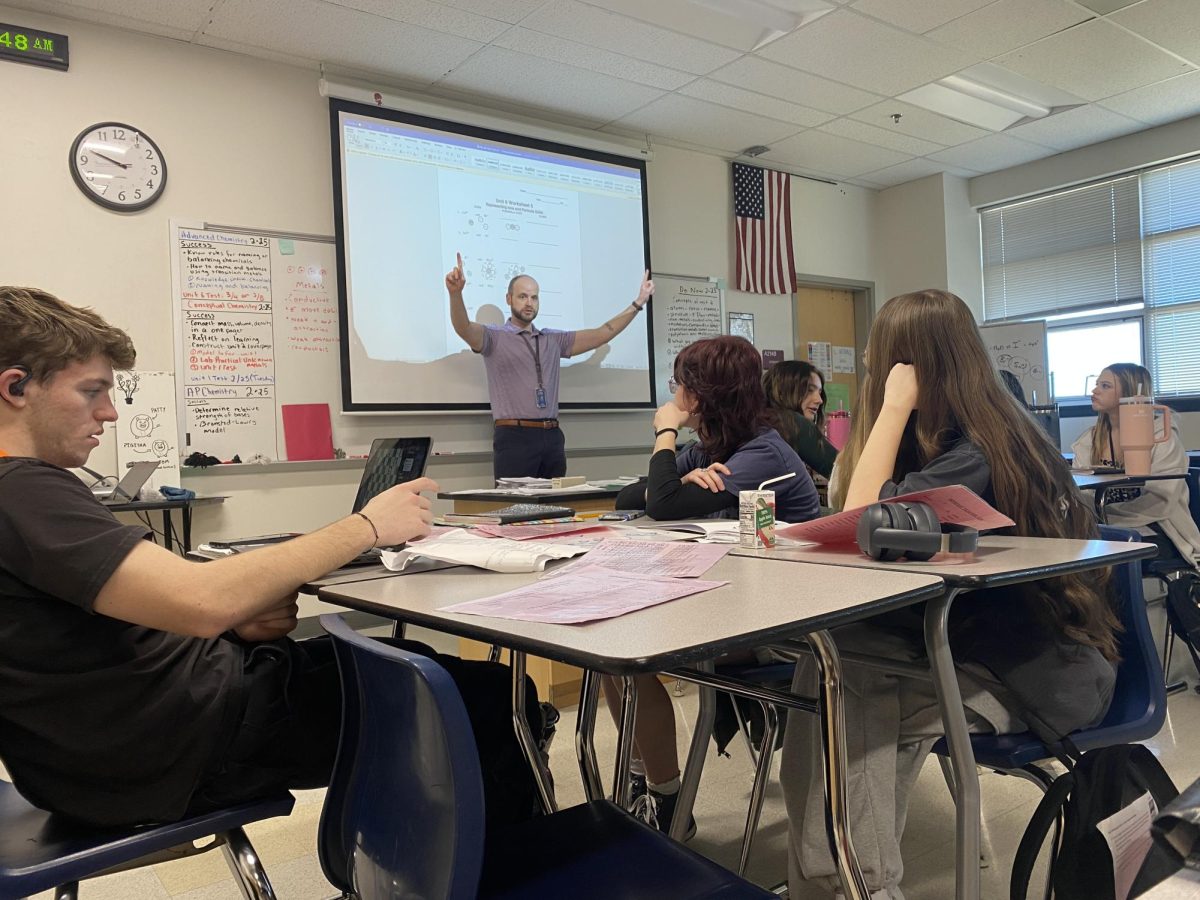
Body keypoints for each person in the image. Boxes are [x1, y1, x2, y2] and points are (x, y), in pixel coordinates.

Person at [0, 286, 544, 831]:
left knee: (412, 658)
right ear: (16, 387)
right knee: (492, 697)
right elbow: (200, 600)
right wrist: (369, 526)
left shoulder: (28, 491)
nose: (110, 412)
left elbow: (102, 625)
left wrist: (234, 626)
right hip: (181, 741)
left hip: (142, 735)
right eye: (91, 391)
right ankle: (514, 874)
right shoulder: (20, 488)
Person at [780, 290, 1121, 900]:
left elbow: (859, 519)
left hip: (1038, 677)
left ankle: (854, 887)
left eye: (877, 352)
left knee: (849, 691)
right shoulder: (950, 440)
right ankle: (839, 882)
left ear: (909, 366)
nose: (864, 359)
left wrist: (889, 410)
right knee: (830, 661)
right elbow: (851, 505)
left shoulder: (979, 452)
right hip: (971, 651)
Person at [608, 335, 821, 838]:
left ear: (699, 397)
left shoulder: (763, 454)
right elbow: (629, 497)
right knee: (615, 654)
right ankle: (650, 787)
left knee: (632, 653)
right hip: (734, 603)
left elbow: (659, 503)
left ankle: (665, 802)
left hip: (787, 626)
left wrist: (664, 432)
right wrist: (683, 477)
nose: (676, 397)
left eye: (681, 387)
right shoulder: (715, 450)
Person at [445, 253, 654, 481]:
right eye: (523, 296)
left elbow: (603, 333)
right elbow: (463, 328)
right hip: (514, 436)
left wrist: (638, 303)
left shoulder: (552, 340)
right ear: (508, 299)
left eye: (534, 298)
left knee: (555, 506)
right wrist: (455, 294)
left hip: (552, 435)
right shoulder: (494, 337)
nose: (529, 303)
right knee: (516, 507)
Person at [1072, 363, 1200, 567]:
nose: (1095, 391)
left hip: (1160, 529)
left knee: (1110, 556)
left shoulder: (1162, 438)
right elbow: (1082, 497)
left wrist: (1109, 520)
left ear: (1130, 392)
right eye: (1096, 384)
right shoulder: (1089, 441)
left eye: (1105, 386)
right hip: (1105, 528)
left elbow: (1161, 502)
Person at [763, 359, 838, 480]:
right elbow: (841, 470)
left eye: (819, 392)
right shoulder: (792, 423)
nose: (819, 400)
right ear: (783, 391)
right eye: (809, 390)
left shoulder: (760, 422)